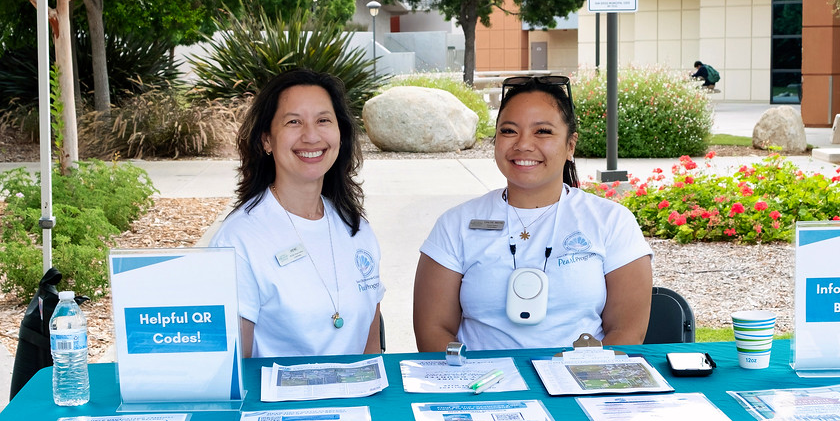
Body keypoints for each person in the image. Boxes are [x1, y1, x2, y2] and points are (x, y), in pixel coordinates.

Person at [413, 74, 652, 351]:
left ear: (570, 145)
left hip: (579, 382)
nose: (523, 144)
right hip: (483, 388)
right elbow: (433, 331)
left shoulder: (611, 221)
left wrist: (575, 380)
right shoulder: (456, 224)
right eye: (509, 131)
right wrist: (475, 381)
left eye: (543, 131)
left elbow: (626, 331)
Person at [214, 68, 385, 358]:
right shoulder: (239, 239)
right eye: (294, 121)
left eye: (323, 120)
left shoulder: (355, 228)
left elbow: (370, 349)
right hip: (277, 403)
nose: (310, 135)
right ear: (266, 140)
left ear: (340, 134)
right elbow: (233, 368)